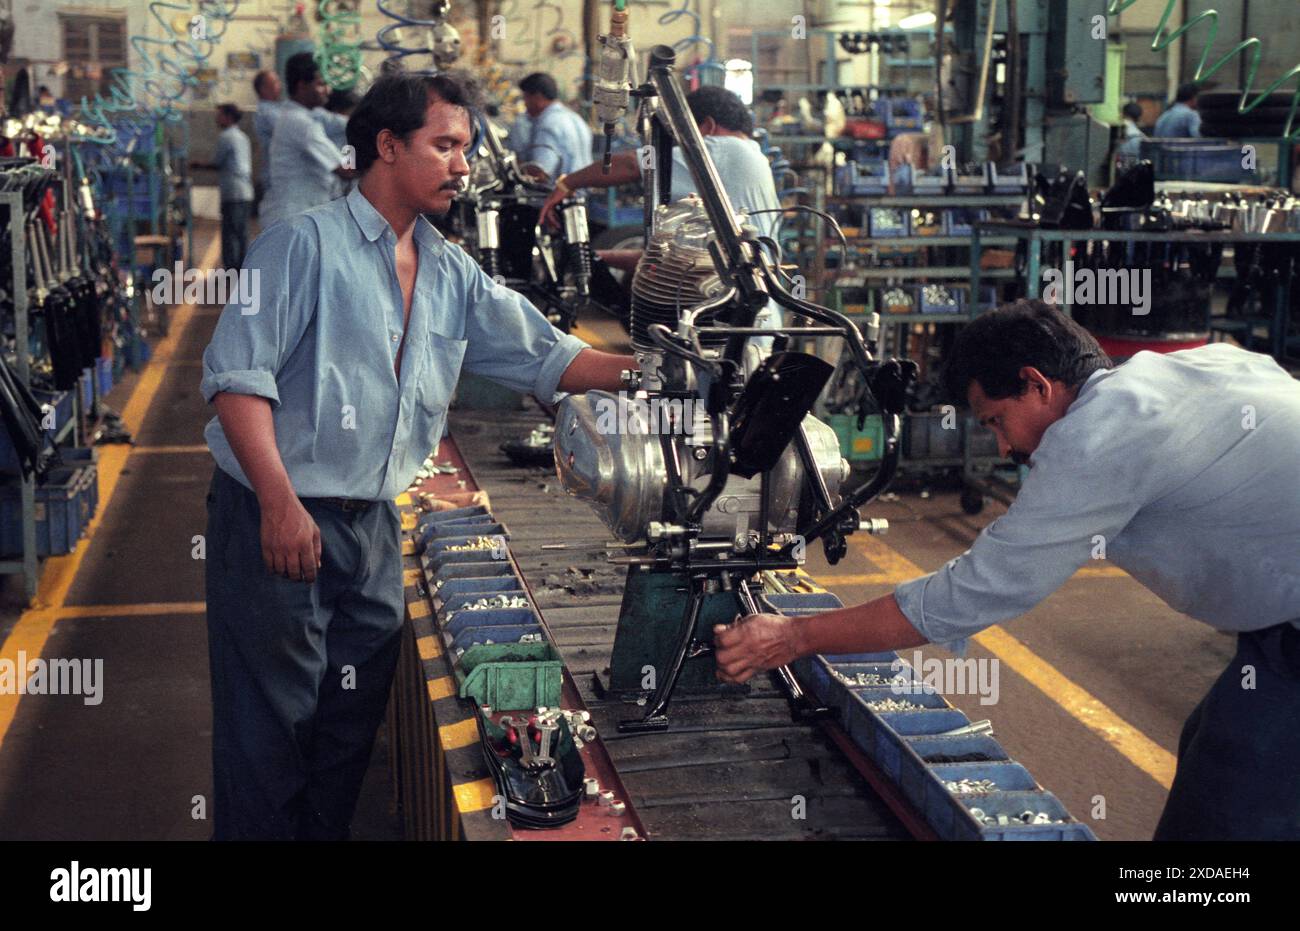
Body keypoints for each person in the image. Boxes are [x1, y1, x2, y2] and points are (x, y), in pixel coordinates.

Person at [199, 69, 635, 841]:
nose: (463, 164)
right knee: (269, 737)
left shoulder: (448, 270)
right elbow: (237, 379)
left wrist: (661, 368)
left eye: (465, 147)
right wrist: (276, 500)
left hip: (368, 529)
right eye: (446, 145)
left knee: (345, 729)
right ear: (388, 146)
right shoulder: (299, 248)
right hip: (279, 516)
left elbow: (550, 354)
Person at [713, 299, 1300, 841]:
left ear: (1036, 384)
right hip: (1276, 624)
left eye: (995, 421)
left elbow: (971, 594)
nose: (1000, 449)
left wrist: (793, 637)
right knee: (1213, 745)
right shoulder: (1193, 370)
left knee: (1224, 806)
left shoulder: (1100, 437)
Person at [538, 85, 784, 328]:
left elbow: (634, 164)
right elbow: (692, 259)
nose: (678, 146)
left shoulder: (723, 149)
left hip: (731, 323)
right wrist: (598, 257)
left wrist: (566, 184)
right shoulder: (749, 159)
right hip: (751, 319)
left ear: (707, 127)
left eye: (681, 136)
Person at [258, 53, 352, 228]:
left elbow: (338, 122)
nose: (327, 90)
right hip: (294, 216)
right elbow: (347, 170)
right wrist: (355, 147)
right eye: (321, 84)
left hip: (296, 213)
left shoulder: (300, 114)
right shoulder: (301, 124)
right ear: (302, 85)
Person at [191, 104, 254, 269]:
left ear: (228, 117)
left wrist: (197, 164)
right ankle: (243, 268)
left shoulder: (226, 137)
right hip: (245, 191)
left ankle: (232, 271)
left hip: (233, 193)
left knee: (230, 235)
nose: (216, 119)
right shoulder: (242, 136)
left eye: (219, 115)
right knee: (241, 233)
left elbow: (217, 162)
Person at [505, 72, 593, 181]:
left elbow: (540, 174)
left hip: (560, 195)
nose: (525, 105)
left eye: (526, 98)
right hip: (582, 192)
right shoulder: (576, 119)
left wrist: (513, 168)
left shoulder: (548, 124)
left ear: (537, 97)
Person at [252, 70, 283, 201]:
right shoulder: (267, 112)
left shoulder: (276, 109)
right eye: (275, 82)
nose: (280, 86)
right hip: (275, 177)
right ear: (263, 89)